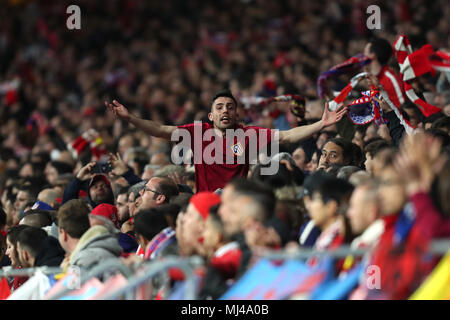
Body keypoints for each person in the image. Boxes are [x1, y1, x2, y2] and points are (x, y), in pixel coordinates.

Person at [106, 89, 348, 192]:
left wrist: (320, 124)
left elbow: (285, 136)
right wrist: (130, 118)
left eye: (230, 107)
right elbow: (159, 129)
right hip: (204, 203)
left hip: (236, 201)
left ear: (236, 114)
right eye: (220, 107)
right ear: (211, 115)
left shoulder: (248, 134)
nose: (225, 111)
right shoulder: (198, 132)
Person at [347, 180, 384, 249]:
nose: (349, 213)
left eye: (353, 206)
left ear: (371, 212)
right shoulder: (360, 243)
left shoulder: (380, 245)